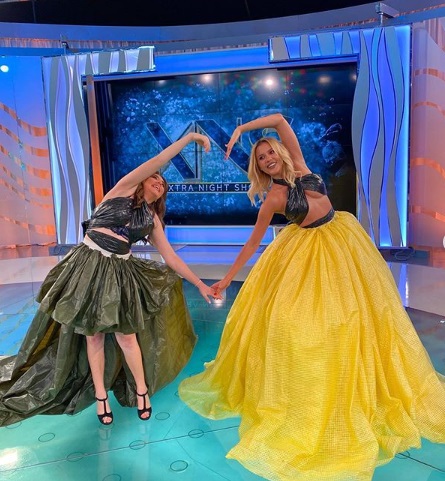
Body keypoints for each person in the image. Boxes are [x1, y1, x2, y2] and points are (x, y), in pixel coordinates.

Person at [179, 114, 445, 481]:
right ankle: (315, 390)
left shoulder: (302, 166)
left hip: (343, 241)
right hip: (308, 257)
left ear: (280, 153)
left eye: (270, 153)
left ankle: (369, 383)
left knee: (367, 314)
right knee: (307, 324)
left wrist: (241, 129)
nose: (268, 159)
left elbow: (279, 120)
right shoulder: (273, 198)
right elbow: (253, 243)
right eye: (261, 158)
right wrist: (225, 279)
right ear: (258, 168)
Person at [0, 132, 220, 427]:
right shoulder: (122, 189)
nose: (159, 182)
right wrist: (190, 137)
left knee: (126, 336)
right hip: (88, 265)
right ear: (142, 180)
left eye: (163, 185)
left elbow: (171, 258)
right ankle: (101, 395)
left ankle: (141, 390)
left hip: (119, 273)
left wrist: (200, 284)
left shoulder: (152, 219)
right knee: (93, 335)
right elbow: (160, 159)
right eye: (155, 178)